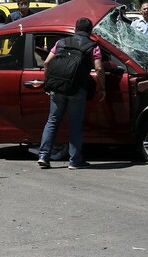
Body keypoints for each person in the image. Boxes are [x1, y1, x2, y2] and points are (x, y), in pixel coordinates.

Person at [37, 17, 106, 170]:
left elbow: (47, 62)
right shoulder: (93, 46)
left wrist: (49, 84)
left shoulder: (61, 43)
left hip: (57, 88)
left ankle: (43, 156)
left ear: (75, 29)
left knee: (52, 121)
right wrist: (102, 87)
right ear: (90, 31)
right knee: (75, 124)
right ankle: (74, 161)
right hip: (77, 89)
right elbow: (99, 68)